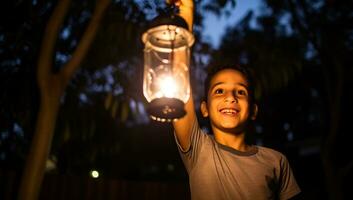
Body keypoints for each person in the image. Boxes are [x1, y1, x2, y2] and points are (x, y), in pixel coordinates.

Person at [172, 0, 301, 199]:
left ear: (253, 110)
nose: (230, 98)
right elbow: (179, 81)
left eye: (240, 92)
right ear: (204, 109)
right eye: (219, 91)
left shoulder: (276, 161)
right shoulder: (199, 149)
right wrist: (187, 12)